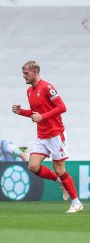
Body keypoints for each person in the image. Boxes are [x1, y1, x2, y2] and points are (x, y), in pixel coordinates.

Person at [12, 60, 82, 213]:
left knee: (59, 169)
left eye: (26, 73)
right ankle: (60, 183)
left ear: (35, 72)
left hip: (56, 134)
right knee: (33, 166)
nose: (23, 76)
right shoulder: (29, 91)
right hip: (42, 136)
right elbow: (35, 114)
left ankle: (76, 202)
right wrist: (21, 111)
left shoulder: (47, 87)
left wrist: (43, 117)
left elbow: (62, 107)